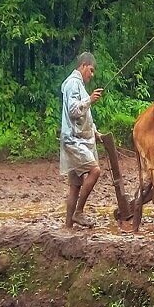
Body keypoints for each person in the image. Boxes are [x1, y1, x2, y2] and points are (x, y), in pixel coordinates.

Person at [61, 51, 104, 229]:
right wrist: (90, 100)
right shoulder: (73, 84)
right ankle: (79, 212)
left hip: (76, 138)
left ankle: (68, 226)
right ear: (83, 66)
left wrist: (95, 132)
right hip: (73, 140)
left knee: (75, 186)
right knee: (95, 171)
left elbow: (84, 118)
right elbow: (73, 111)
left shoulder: (78, 85)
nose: (91, 75)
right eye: (91, 70)